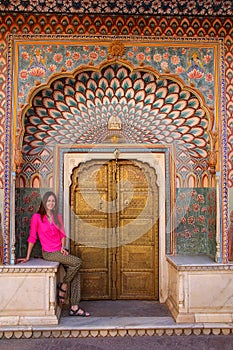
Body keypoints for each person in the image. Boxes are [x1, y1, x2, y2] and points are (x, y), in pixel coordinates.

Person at [18, 191, 90, 317]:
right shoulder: (37, 217)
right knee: (77, 262)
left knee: (76, 273)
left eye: (53, 201)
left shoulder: (58, 217)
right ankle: (64, 285)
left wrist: (63, 247)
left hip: (59, 250)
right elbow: (32, 237)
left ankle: (74, 306)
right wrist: (27, 256)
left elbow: (62, 234)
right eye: (48, 201)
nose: (51, 203)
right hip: (49, 252)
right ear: (44, 203)